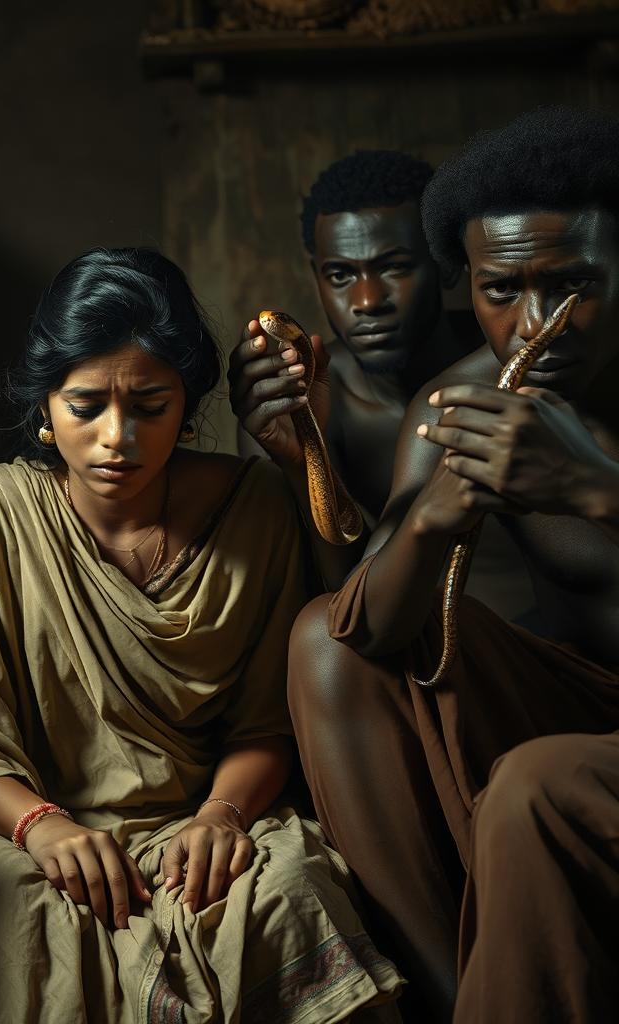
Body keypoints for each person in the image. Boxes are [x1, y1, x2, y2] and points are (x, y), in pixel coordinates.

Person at [0, 248, 404, 1024]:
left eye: (149, 406)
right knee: (3, 913)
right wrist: (43, 827)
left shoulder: (258, 508)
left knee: (288, 889)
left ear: (189, 406)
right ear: (45, 408)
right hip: (33, 829)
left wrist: (222, 818)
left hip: (213, 818)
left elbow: (270, 719)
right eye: (86, 405)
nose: (116, 437)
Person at [286, 106, 619, 1024]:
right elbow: (371, 630)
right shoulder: (462, 399)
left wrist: (597, 487)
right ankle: (444, 988)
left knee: (532, 786)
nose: (536, 324)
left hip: (577, 758)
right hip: (584, 703)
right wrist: (436, 512)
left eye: (574, 286)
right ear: (463, 286)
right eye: (503, 289)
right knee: (324, 642)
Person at [233, 150, 534, 618]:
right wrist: (304, 463)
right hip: (402, 654)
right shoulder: (297, 404)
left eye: (394, 267)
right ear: (315, 277)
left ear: (447, 265)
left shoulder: (526, 364)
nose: (368, 301)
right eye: (340, 275)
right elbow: (346, 602)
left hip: (552, 658)